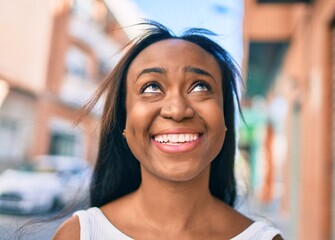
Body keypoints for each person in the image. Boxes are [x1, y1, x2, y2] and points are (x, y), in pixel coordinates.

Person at [52, 21, 283, 240]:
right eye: (151, 87)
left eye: (200, 86)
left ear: (224, 118)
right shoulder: (80, 234)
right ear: (124, 120)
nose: (177, 109)